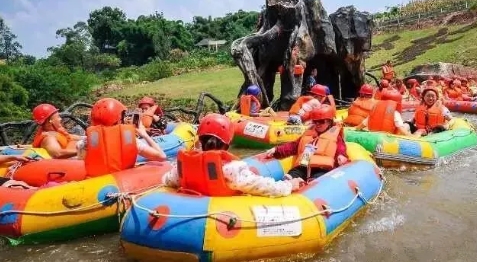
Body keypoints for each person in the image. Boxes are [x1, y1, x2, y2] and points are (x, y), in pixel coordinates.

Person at [163, 113, 303, 197]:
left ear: (200, 140)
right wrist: (288, 185)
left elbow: (168, 180)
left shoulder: (182, 167)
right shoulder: (230, 168)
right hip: (220, 212)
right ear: (228, 144)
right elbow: (259, 185)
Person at [266, 105, 349, 181]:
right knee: (292, 174)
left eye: (321, 121)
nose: (318, 124)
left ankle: (310, 185)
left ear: (329, 122)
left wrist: (341, 156)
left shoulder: (336, 137)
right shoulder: (309, 133)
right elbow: (293, 146)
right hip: (304, 166)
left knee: (317, 179)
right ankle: (288, 183)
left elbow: (341, 149)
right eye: (315, 121)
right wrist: (276, 150)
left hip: (322, 169)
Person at [76, 98, 167, 165]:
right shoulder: (131, 141)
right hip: (122, 182)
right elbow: (162, 157)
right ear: (119, 119)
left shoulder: (82, 144)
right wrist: (144, 134)